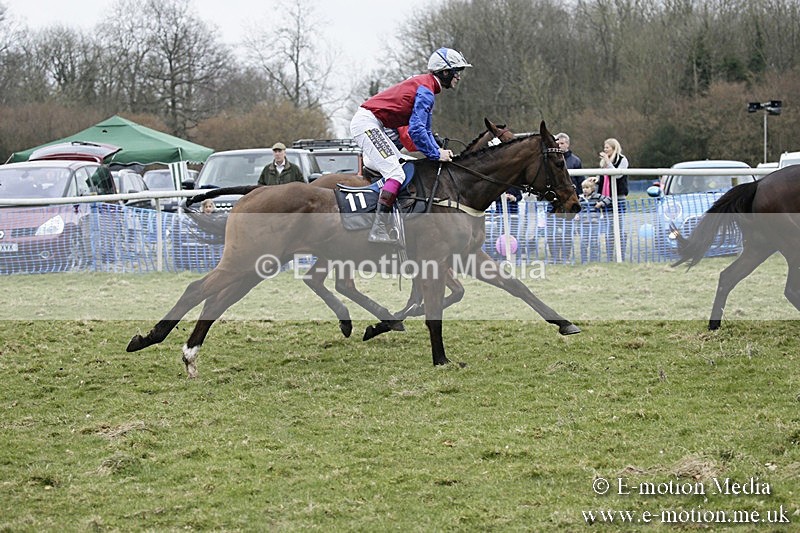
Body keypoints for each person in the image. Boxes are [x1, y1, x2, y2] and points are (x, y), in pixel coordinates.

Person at [350, 47, 472, 243]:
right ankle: (378, 228)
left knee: (403, 166)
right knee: (396, 174)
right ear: (445, 72)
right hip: (367, 123)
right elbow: (416, 130)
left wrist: (436, 148)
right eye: (456, 71)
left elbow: (422, 131)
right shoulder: (426, 90)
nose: (459, 76)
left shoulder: (426, 86)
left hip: (373, 124)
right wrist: (436, 154)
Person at [597, 138, 629, 261]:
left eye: (607, 147)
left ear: (614, 148)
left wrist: (607, 161)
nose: (605, 150)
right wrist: (596, 179)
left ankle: (621, 254)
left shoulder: (622, 160)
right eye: (604, 147)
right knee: (609, 228)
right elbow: (603, 177)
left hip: (618, 197)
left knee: (619, 227)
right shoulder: (603, 162)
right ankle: (610, 255)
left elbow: (617, 174)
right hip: (606, 198)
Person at [576, 178, 611, 263]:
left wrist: (601, 204)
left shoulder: (597, 196)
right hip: (584, 224)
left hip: (594, 223)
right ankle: (584, 260)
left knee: (594, 242)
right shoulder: (580, 199)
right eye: (583, 188)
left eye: (587, 188)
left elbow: (608, 199)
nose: (585, 190)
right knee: (584, 242)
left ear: (592, 189)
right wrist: (577, 214)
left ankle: (594, 259)